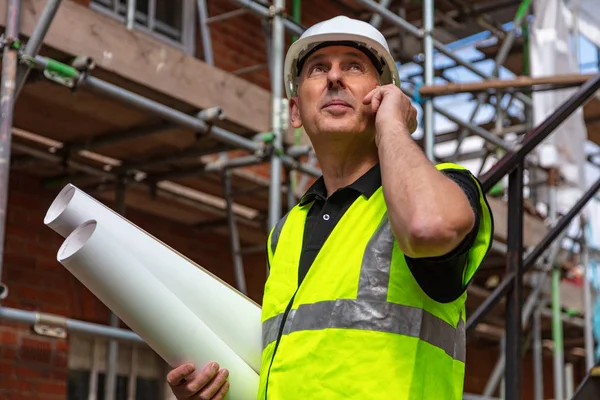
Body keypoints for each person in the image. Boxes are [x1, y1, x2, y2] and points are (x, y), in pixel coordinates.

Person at [166, 15, 493, 400]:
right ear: (294, 112)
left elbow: (427, 227)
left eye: (353, 67)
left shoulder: (443, 187)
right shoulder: (287, 231)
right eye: (318, 69)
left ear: (385, 97)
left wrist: (393, 127)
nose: (334, 78)